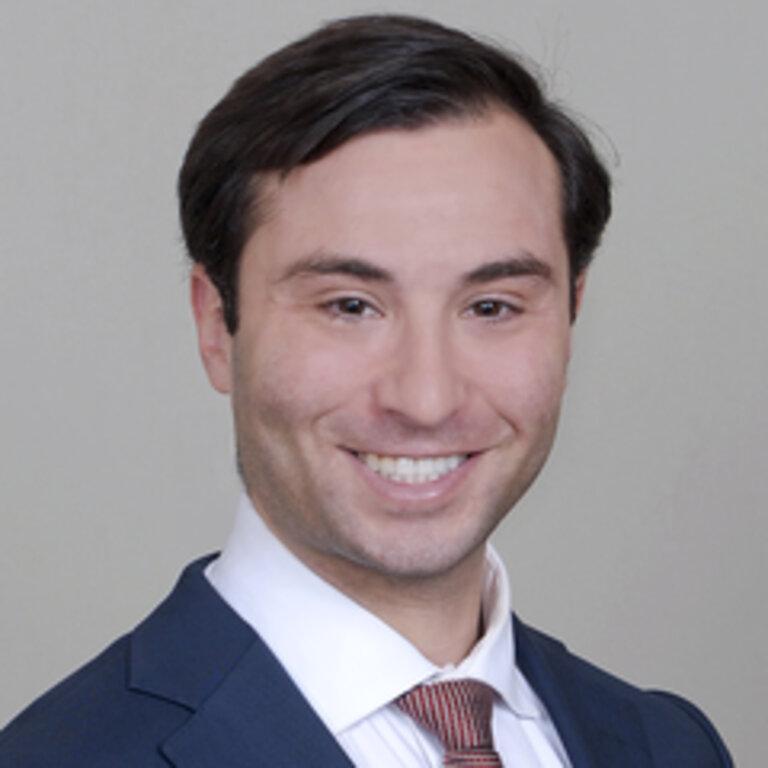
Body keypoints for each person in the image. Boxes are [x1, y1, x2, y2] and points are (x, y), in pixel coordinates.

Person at [0, 14, 732, 767]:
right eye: (350, 306)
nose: (426, 399)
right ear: (217, 325)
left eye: (491, 307)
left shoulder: (670, 747)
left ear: (571, 315)